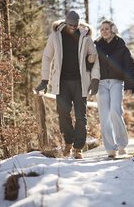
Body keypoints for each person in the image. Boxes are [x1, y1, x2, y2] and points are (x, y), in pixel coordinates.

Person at [35, 10, 100, 159]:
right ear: (65, 22)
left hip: (80, 83)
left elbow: (95, 59)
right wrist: (45, 80)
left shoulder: (86, 38)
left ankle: (78, 148)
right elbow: (47, 57)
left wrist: (95, 79)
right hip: (61, 83)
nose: (73, 28)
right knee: (63, 115)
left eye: (76, 25)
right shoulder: (55, 37)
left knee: (81, 117)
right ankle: (68, 143)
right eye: (70, 25)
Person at [94, 20, 134, 158]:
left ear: (113, 30)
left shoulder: (121, 46)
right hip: (101, 83)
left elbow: (129, 66)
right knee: (104, 115)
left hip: (116, 82)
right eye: (102, 29)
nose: (104, 31)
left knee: (115, 111)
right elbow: (89, 66)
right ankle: (110, 149)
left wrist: (130, 85)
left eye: (106, 29)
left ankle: (122, 145)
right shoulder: (96, 45)